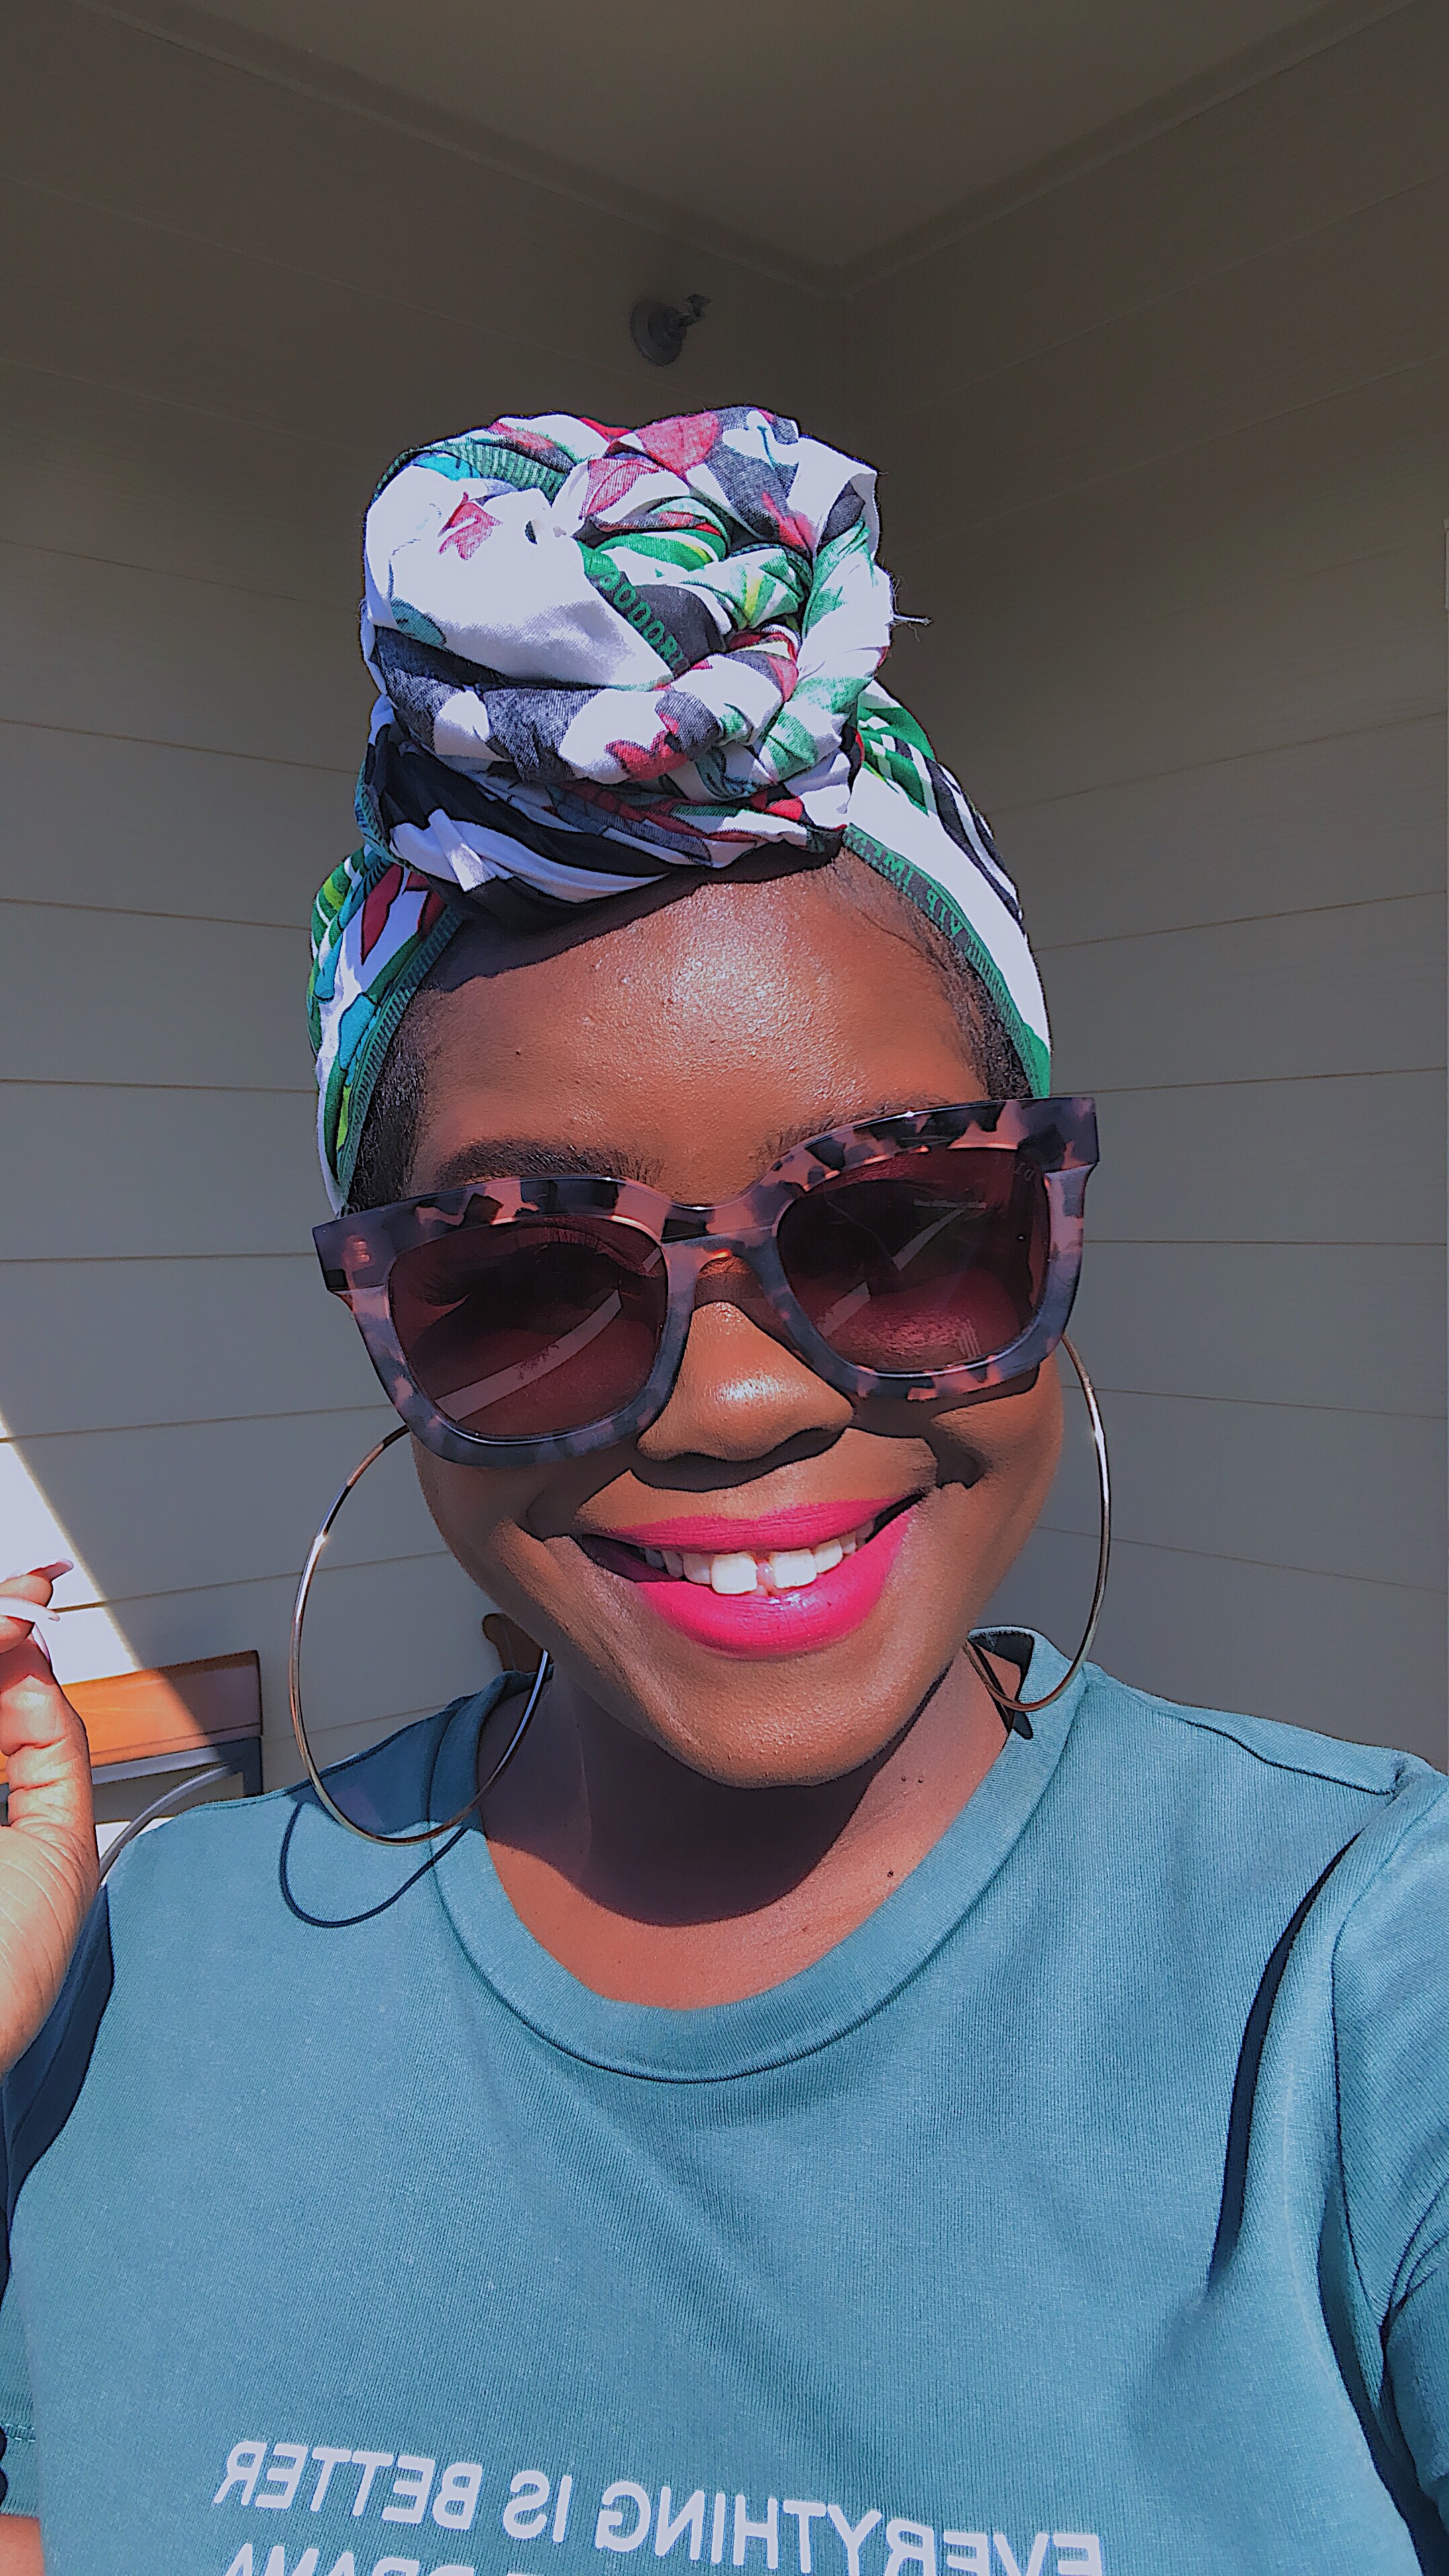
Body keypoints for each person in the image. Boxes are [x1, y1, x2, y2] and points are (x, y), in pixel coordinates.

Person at [1, 407, 1446, 2576]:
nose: (739, 1405)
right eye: (530, 1278)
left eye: (899, 1228)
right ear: (384, 1322)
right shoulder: (127, 1981)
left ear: (1053, 1226)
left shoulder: (1364, 1983)